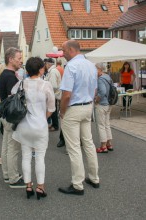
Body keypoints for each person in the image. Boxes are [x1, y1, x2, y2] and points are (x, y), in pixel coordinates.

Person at [58, 40, 99, 195]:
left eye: (63, 51)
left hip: (73, 109)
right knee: (88, 143)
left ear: (71, 50)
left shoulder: (71, 67)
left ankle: (77, 184)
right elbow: (94, 91)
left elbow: (66, 94)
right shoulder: (91, 65)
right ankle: (94, 178)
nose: (62, 54)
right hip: (88, 106)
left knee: (74, 147)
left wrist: (62, 112)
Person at [12, 57, 55, 199]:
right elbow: (51, 108)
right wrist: (44, 118)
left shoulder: (21, 83)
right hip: (40, 126)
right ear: (41, 69)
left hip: (24, 125)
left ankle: (28, 186)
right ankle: (40, 187)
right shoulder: (46, 85)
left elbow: (12, 97)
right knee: (40, 157)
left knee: (26, 156)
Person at [0, 47, 25, 188]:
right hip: (11, 116)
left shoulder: (5, 74)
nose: (21, 61)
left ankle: (7, 174)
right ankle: (14, 178)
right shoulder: (10, 76)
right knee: (13, 147)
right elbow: (13, 99)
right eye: (19, 58)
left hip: (5, 115)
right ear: (10, 59)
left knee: (6, 146)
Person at [94, 63, 113, 153]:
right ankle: (109, 143)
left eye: (95, 69)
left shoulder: (100, 79)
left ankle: (103, 146)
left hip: (102, 104)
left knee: (101, 125)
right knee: (107, 124)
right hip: (109, 103)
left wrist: (96, 100)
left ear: (99, 69)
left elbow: (102, 91)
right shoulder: (108, 77)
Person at [45, 58, 61, 131]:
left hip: (53, 94)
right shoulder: (52, 71)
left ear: (48, 64)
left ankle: (55, 126)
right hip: (53, 93)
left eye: (46, 64)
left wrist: (48, 92)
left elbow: (53, 85)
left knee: (53, 110)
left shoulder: (53, 72)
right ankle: (54, 124)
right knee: (53, 110)